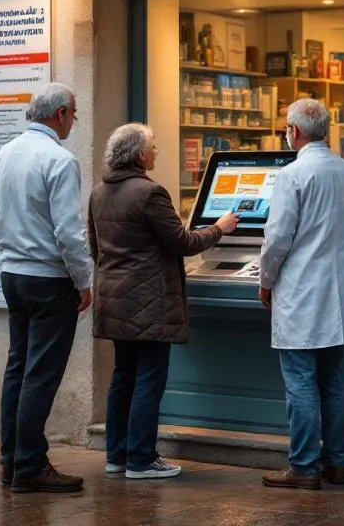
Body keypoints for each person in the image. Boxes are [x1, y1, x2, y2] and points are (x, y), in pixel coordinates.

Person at [88, 124, 240, 480]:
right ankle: (142, 459)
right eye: (153, 147)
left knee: (123, 376)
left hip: (114, 299)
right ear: (140, 155)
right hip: (150, 301)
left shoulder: (98, 192)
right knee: (150, 379)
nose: (156, 152)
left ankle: (117, 455)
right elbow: (183, 243)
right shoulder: (150, 193)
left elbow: (95, 249)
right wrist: (220, 227)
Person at [0, 82, 93, 494]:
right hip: (49, 279)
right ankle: (29, 465)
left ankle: (11, 458)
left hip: (13, 276)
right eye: (73, 115)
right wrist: (83, 281)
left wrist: (12, 251)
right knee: (41, 374)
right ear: (60, 113)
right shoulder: (60, 160)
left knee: (18, 367)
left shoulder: (3, 156)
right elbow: (68, 232)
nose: (72, 123)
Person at [257, 98, 344, 491]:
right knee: (332, 381)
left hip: (300, 291)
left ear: (294, 132)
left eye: (286, 127)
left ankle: (303, 466)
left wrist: (265, 280)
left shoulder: (293, 174)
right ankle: (337, 463)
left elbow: (277, 237)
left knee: (300, 382)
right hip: (335, 291)